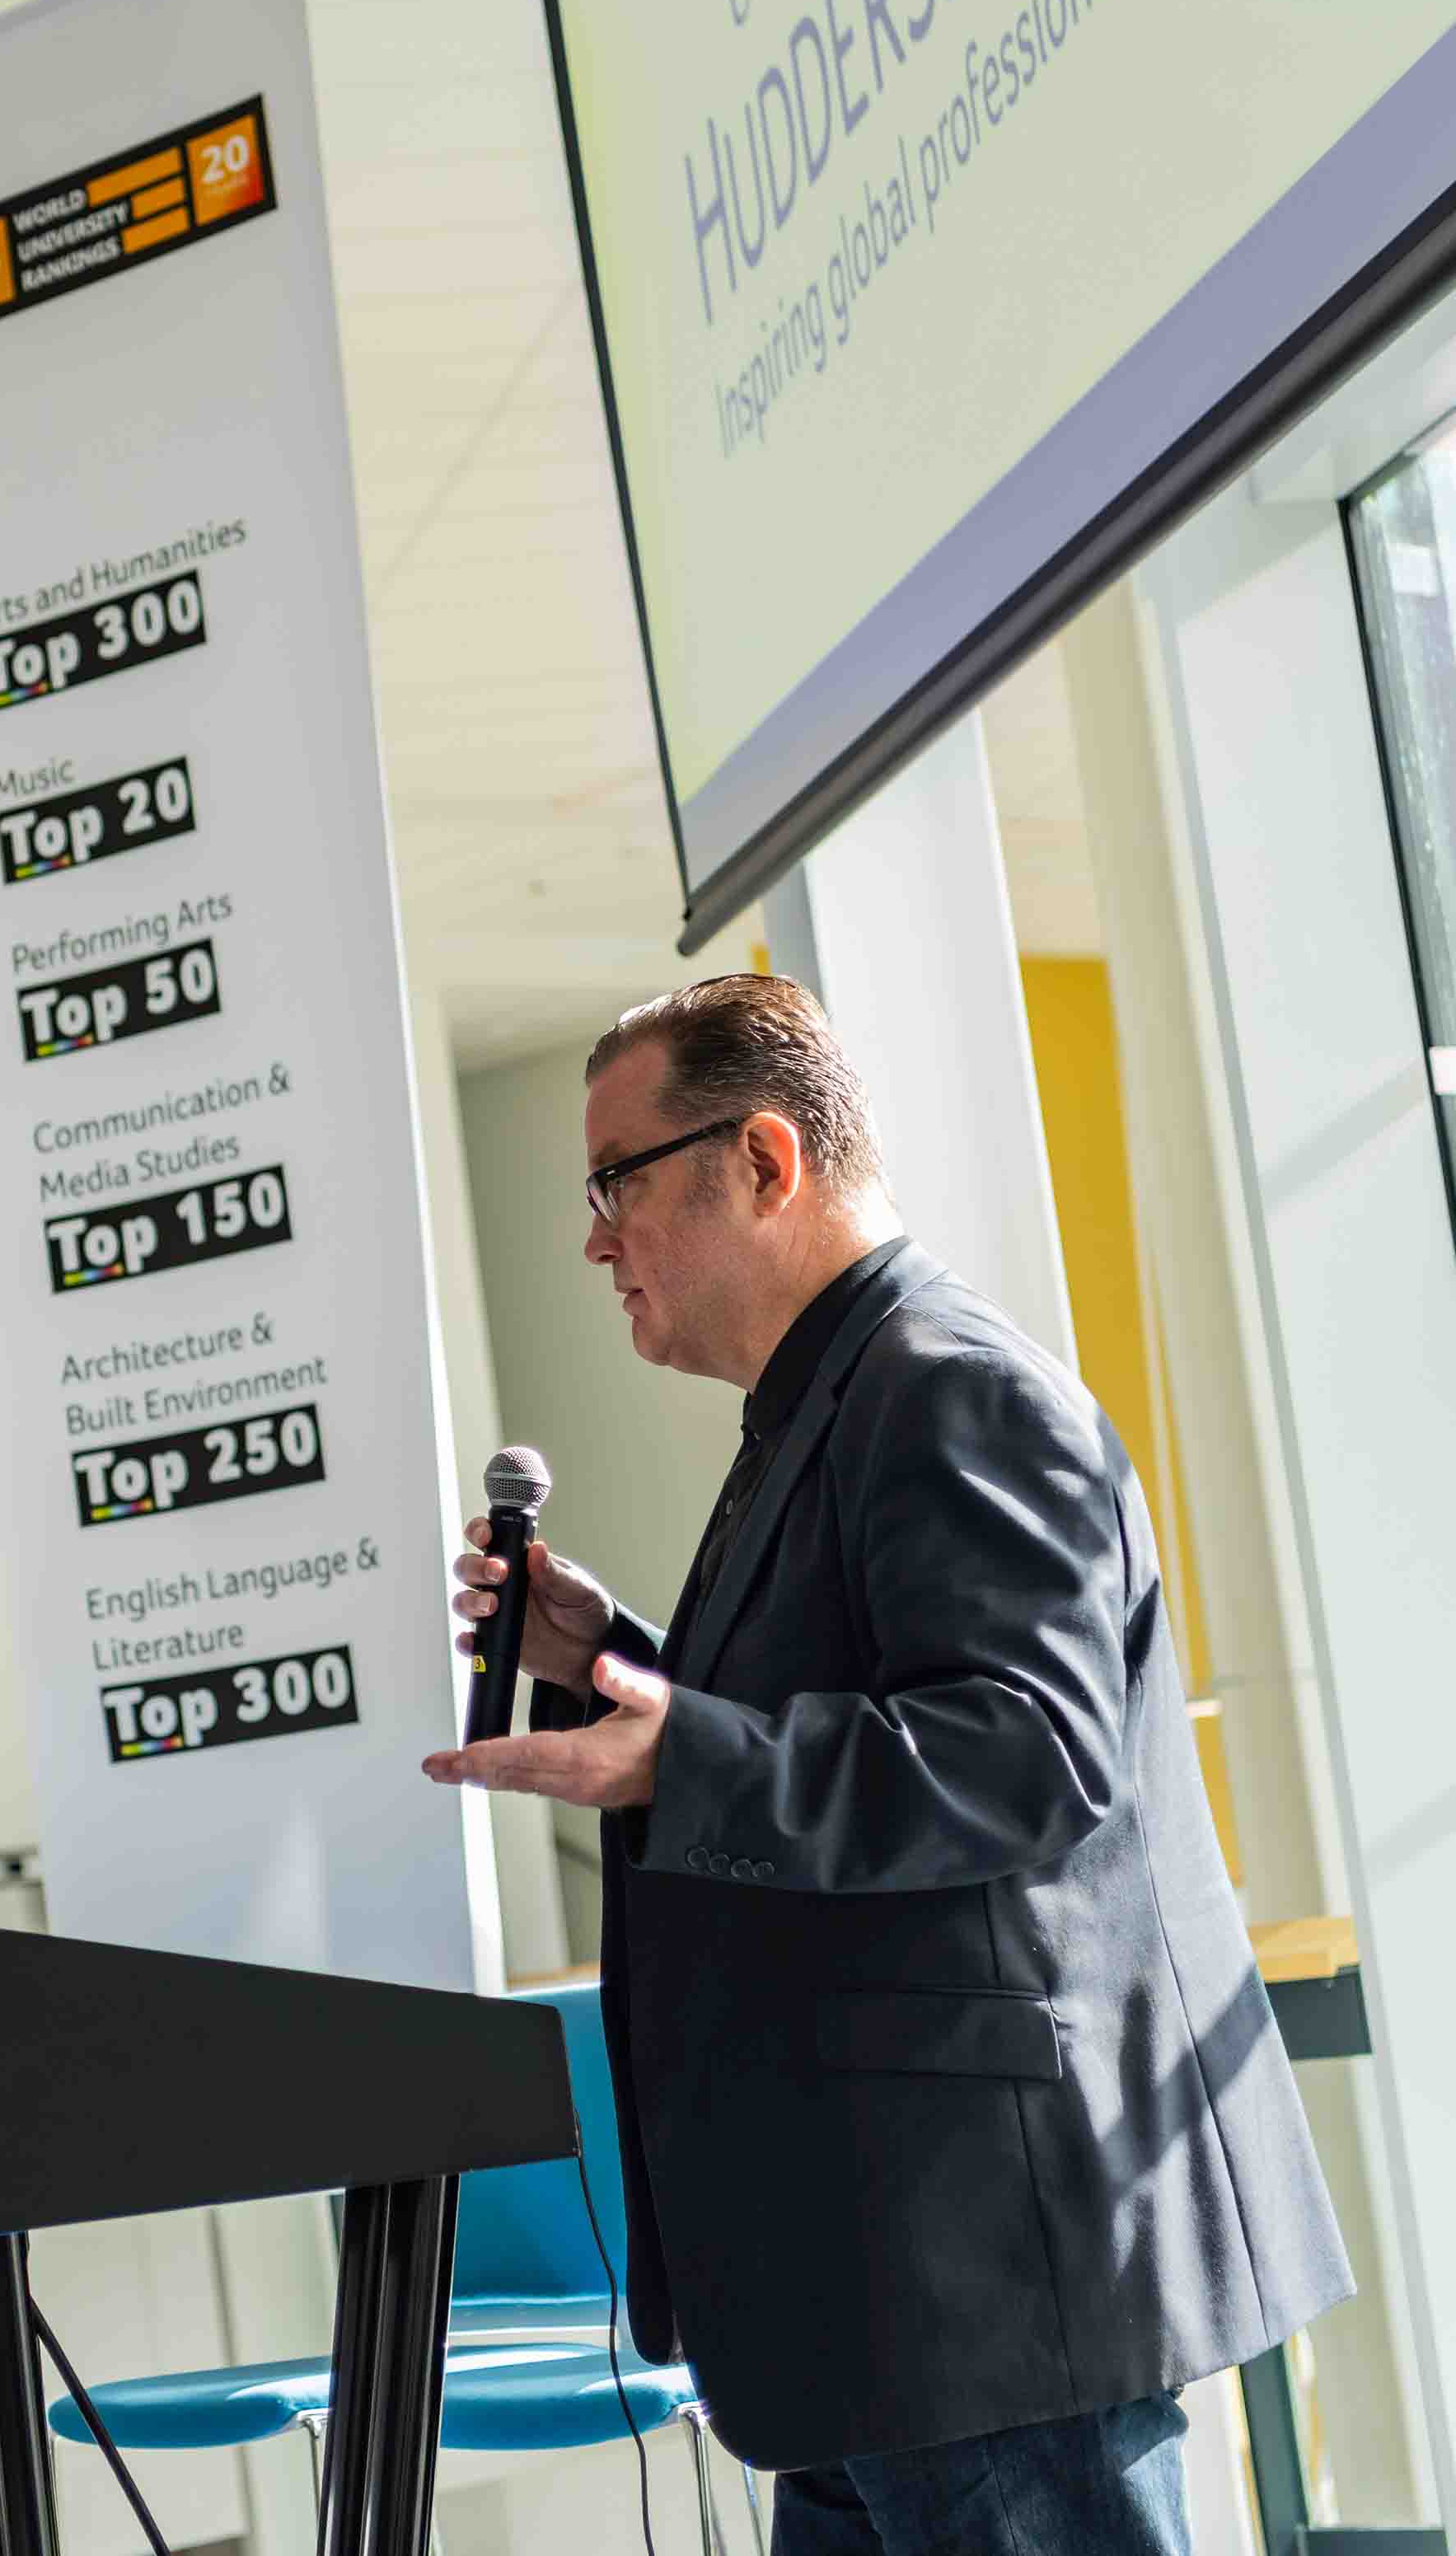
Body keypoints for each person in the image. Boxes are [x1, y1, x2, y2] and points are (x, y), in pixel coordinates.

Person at [422, 971, 1349, 2556]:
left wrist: (679, 1752)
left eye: (614, 1183)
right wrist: (617, 1672)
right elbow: (853, 1706)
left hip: (981, 2285)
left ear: (764, 1162)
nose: (592, 1239)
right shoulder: (831, 1404)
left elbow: (1025, 1755)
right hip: (870, 2286)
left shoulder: (950, 1390)